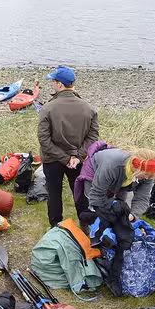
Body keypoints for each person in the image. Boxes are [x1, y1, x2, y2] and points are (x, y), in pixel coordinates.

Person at [84, 147, 155, 295]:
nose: (148, 178)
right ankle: (90, 241)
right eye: (145, 175)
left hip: (124, 181)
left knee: (119, 207)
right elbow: (96, 196)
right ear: (135, 167)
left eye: (150, 176)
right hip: (95, 173)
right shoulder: (112, 165)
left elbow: (142, 199)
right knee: (94, 213)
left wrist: (132, 215)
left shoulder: (147, 175)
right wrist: (107, 215)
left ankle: (107, 248)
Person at [37, 65, 99, 227]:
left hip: (52, 159)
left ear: (60, 84)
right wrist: (77, 157)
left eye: (53, 81)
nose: (52, 84)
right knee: (80, 194)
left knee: (54, 195)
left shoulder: (47, 108)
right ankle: (86, 228)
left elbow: (44, 139)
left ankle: (56, 228)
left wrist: (64, 158)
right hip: (78, 161)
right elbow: (93, 137)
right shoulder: (89, 109)